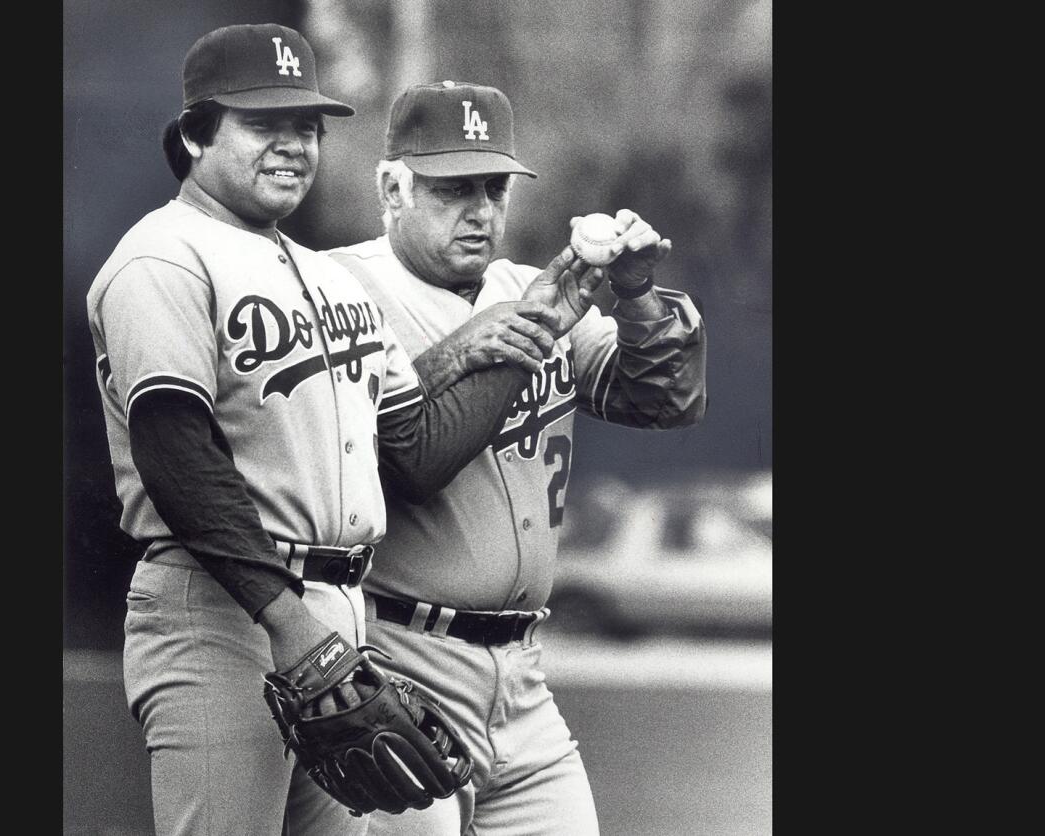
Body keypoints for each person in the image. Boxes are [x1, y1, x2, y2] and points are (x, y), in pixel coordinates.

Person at [85, 29, 602, 836]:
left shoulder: (325, 277)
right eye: (265, 125)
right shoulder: (164, 257)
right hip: (224, 612)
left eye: (308, 126)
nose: (294, 145)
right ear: (193, 134)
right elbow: (176, 455)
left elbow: (418, 451)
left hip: (338, 618)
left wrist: (539, 323)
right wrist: (291, 626)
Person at [323, 80, 708, 835]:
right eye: (452, 189)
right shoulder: (338, 287)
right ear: (392, 186)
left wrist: (634, 296)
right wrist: (471, 349)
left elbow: (665, 401)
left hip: (526, 681)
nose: (481, 211)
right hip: (400, 658)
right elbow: (379, 453)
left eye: (493, 188)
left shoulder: (526, 288)